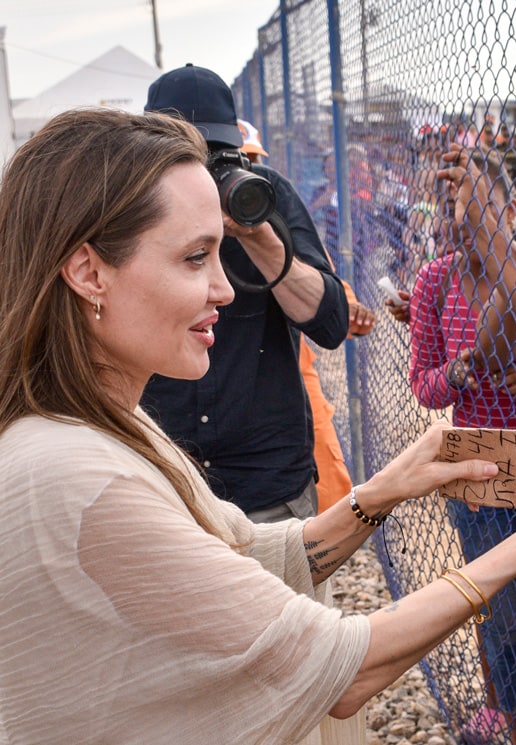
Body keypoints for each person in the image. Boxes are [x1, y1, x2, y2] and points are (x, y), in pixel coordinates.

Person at [0, 106, 516, 745]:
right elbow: (343, 667)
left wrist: (387, 488)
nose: (225, 291)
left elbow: (244, 558)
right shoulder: (75, 477)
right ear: (88, 273)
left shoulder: (95, 429)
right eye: (195, 258)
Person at [141, 64, 350, 522]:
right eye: (183, 154)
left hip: (267, 484)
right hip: (166, 485)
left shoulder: (265, 194)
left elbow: (331, 323)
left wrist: (258, 236)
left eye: (215, 153)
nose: (202, 170)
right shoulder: (130, 206)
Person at [408, 149, 516, 744]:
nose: (462, 218)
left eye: (476, 203)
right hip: (479, 470)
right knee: (497, 606)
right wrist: (462, 371)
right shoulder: (435, 280)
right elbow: (424, 386)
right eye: (454, 206)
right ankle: (509, 714)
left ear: (509, 208)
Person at [237, 119, 376, 512]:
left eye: (249, 162)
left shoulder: (277, 206)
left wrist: (346, 307)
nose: (236, 177)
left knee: (324, 472)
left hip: (288, 368)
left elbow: (320, 276)